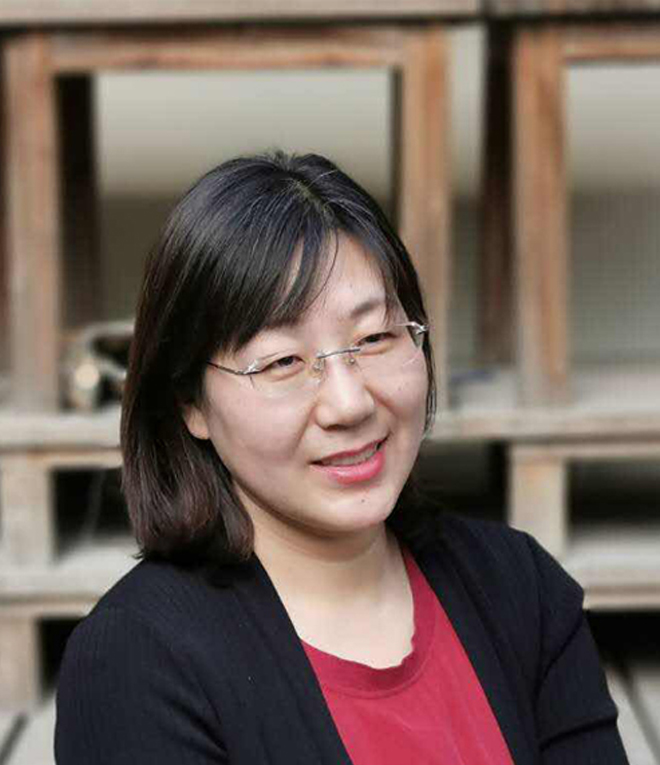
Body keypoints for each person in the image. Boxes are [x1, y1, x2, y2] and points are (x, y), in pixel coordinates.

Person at [55, 152, 629, 765]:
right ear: (190, 403)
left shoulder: (520, 588)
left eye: (374, 338)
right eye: (282, 362)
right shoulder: (136, 663)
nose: (349, 403)